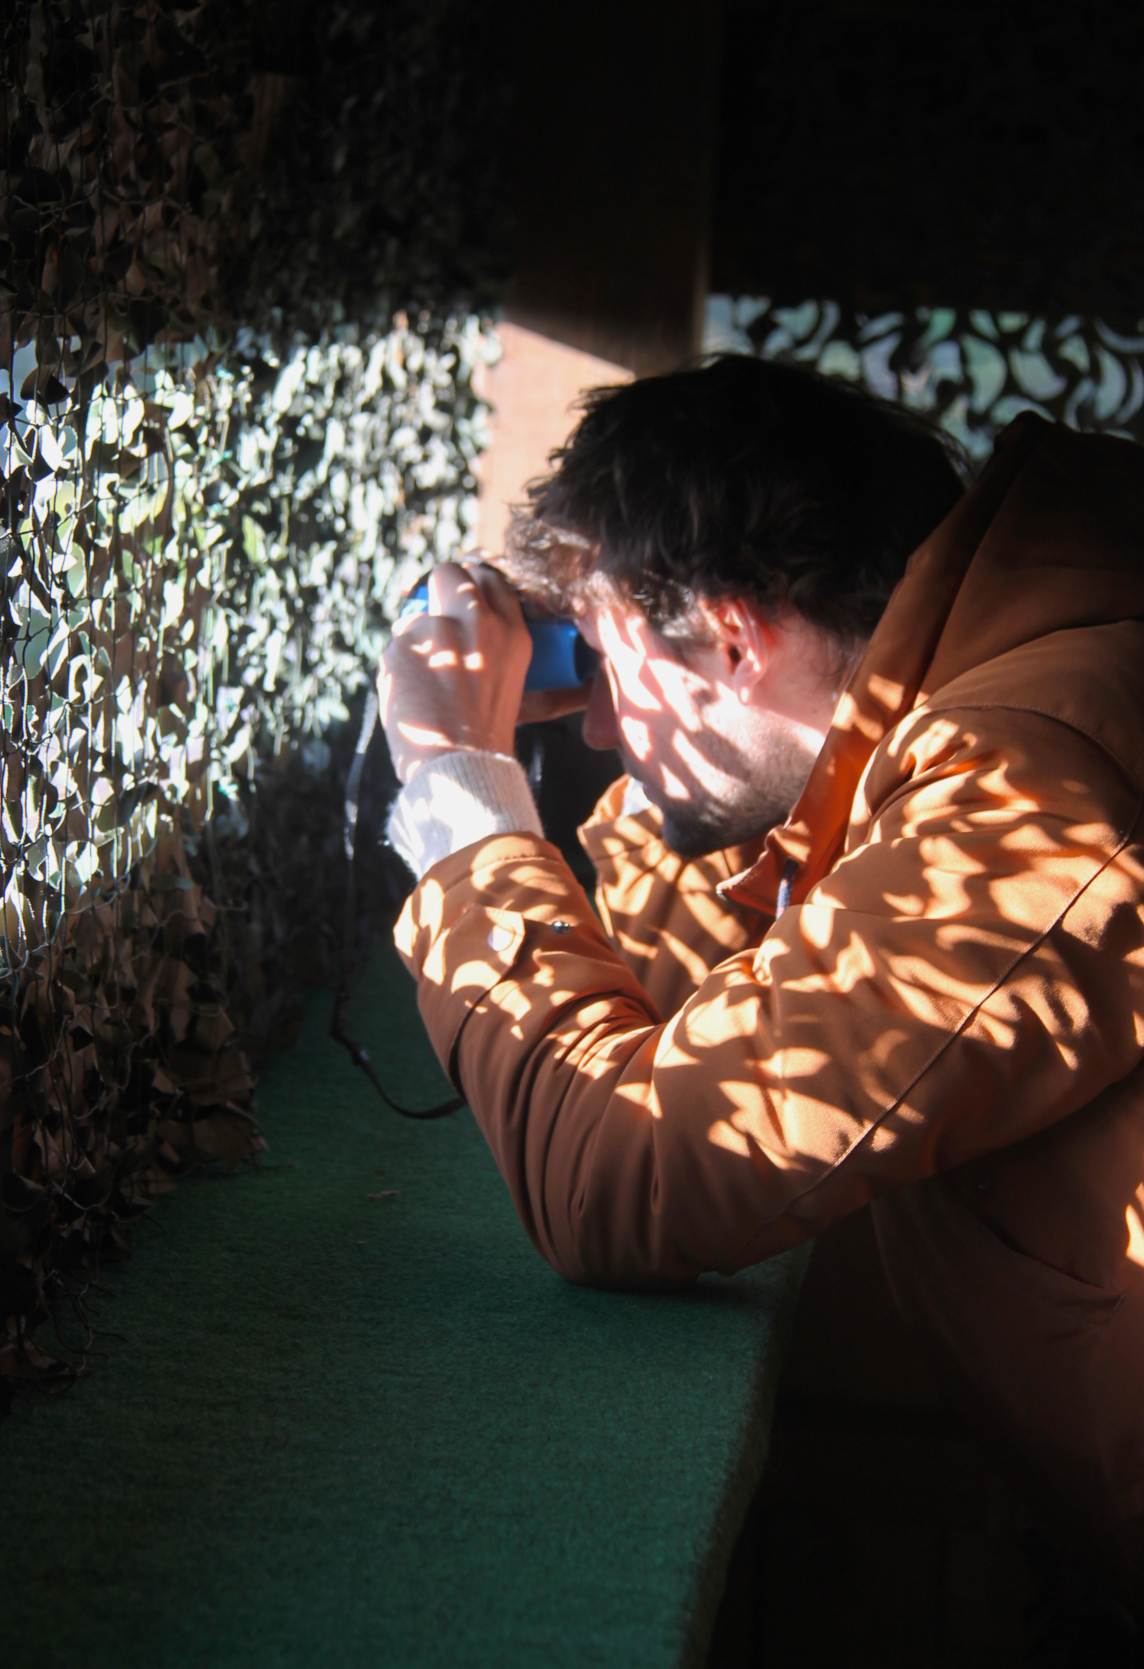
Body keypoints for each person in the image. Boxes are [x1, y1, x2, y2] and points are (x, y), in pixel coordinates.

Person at [377, 354, 1144, 1610]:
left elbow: (616, 1170)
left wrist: (451, 783)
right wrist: (625, 694)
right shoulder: (964, 719)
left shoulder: (1035, 798)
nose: (599, 729)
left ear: (736, 636)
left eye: (612, 680)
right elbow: (688, 1009)